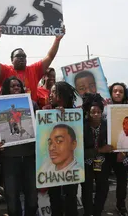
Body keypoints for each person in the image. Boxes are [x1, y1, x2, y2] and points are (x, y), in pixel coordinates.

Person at [0, 76, 38, 216]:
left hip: (29, 158)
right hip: (9, 159)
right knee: (12, 199)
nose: (16, 88)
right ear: (6, 88)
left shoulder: (32, 104)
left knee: (32, 198)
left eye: (18, 86)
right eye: (12, 86)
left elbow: (43, 125)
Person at [0, 25, 65, 102]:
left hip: (31, 111)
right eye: (18, 56)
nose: (22, 58)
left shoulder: (34, 70)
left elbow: (50, 57)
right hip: (9, 111)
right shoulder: (5, 70)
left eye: (24, 56)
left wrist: (57, 40)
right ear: (12, 60)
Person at [43, 81, 79, 216]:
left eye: (54, 92)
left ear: (63, 95)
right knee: (54, 196)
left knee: (71, 195)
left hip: (71, 167)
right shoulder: (45, 110)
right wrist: (53, 114)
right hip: (51, 166)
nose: (50, 95)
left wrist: (67, 116)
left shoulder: (76, 112)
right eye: (50, 92)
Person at [81, 93, 114, 216]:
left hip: (102, 162)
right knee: (87, 188)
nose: (96, 115)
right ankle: (88, 212)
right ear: (88, 113)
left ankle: (97, 211)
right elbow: (80, 149)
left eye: (98, 112)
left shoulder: (107, 125)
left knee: (103, 187)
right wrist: (99, 150)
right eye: (93, 112)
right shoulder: (82, 126)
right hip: (86, 161)